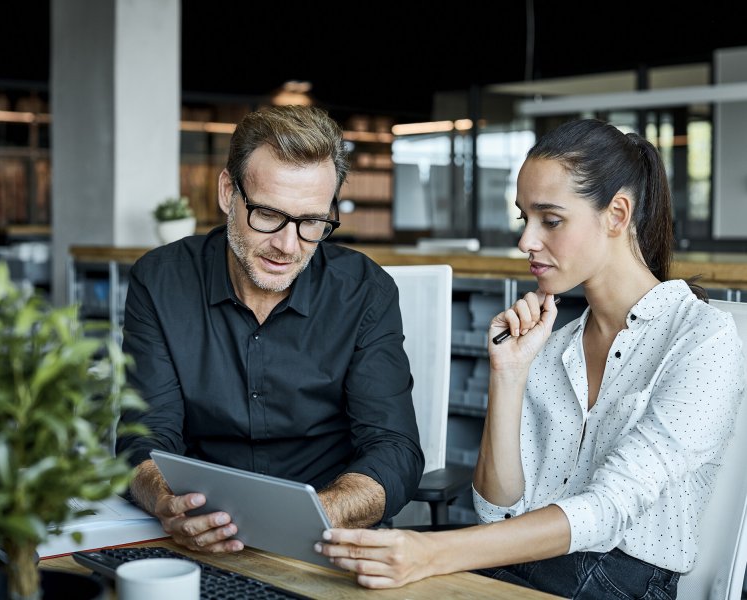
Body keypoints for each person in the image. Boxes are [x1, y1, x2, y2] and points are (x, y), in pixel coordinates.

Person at [316, 118, 746, 598]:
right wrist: (509, 374)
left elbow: (608, 510)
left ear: (617, 214)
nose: (526, 241)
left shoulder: (703, 338)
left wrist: (433, 552)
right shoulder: (554, 346)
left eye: (552, 220)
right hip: (534, 564)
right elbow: (497, 511)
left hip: (622, 581)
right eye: (525, 219)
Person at [116, 104, 424, 553]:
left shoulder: (365, 292)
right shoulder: (160, 281)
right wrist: (167, 502)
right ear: (228, 192)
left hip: (326, 537)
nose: (287, 245)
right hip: (197, 533)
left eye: (312, 222)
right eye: (267, 214)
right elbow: (144, 436)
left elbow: (394, 449)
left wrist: (318, 513)